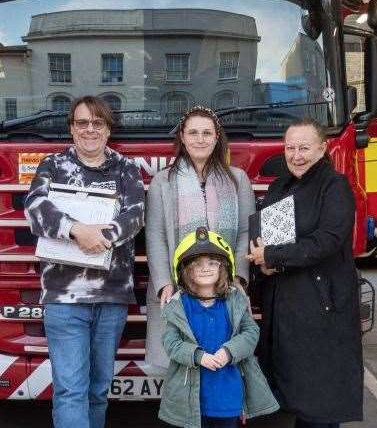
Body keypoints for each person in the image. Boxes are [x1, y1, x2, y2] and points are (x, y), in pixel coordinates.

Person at [24, 96, 145, 428]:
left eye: (98, 123)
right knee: (70, 391)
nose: (89, 130)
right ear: (71, 128)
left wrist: (101, 237)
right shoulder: (52, 164)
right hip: (64, 299)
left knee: (98, 391)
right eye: (82, 123)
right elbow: (34, 207)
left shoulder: (126, 168)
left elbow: (135, 215)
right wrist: (76, 230)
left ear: (107, 129)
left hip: (112, 299)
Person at [247, 117, 363, 428]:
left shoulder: (335, 186)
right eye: (290, 148)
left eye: (305, 148)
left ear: (323, 148)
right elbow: (267, 237)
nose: (297, 155)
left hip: (321, 306)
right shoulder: (278, 186)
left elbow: (328, 241)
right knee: (298, 397)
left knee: (320, 400)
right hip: (285, 305)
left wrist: (271, 255)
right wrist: (264, 263)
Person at [145, 105, 255, 370]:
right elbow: (155, 234)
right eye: (193, 132)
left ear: (217, 137)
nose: (200, 139)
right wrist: (163, 284)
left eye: (207, 133)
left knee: (221, 359)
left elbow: (245, 233)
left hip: (223, 286)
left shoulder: (238, 179)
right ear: (182, 137)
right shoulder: (163, 181)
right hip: (178, 286)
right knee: (183, 360)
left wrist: (239, 277)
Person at [159, 227, 279, 428]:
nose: (206, 268)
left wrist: (229, 351)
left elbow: (251, 333)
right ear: (186, 270)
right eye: (197, 264)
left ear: (224, 267)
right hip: (189, 402)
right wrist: (198, 356)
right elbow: (170, 342)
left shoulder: (235, 300)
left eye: (212, 263)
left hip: (228, 399)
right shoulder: (179, 305)